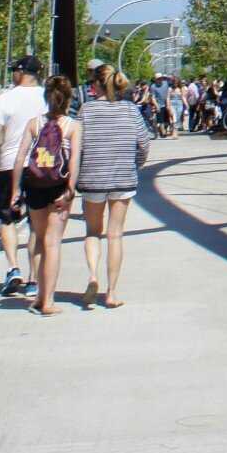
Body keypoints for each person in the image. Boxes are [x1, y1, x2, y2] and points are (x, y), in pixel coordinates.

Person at [77, 65, 151, 308]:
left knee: (92, 232)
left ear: (96, 85)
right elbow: (143, 145)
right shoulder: (131, 111)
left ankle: (92, 276)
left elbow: (76, 147)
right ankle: (111, 293)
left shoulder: (85, 111)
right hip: (122, 178)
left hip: (92, 178)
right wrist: (135, 165)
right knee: (115, 234)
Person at [10, 75, 81, 316]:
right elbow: (74, 161)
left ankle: (39, 296)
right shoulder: (73, 126)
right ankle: (49, 300)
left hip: (35, 186)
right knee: (53, 242)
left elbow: (20, 158)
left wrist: (15, 190)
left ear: (46, 98)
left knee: (39, 240)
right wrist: (70, 190)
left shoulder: (34, 123)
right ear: (68, 98)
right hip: (59, 187)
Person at [0, 54, 47, 295]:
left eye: (14, 70)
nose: (12, 74)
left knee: (7, 219)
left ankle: (13, 268)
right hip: (40, 165)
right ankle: (34, 280)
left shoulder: (5, 99)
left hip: (9, 165)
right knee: (36, 223)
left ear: (21, 72)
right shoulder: (46, 98)